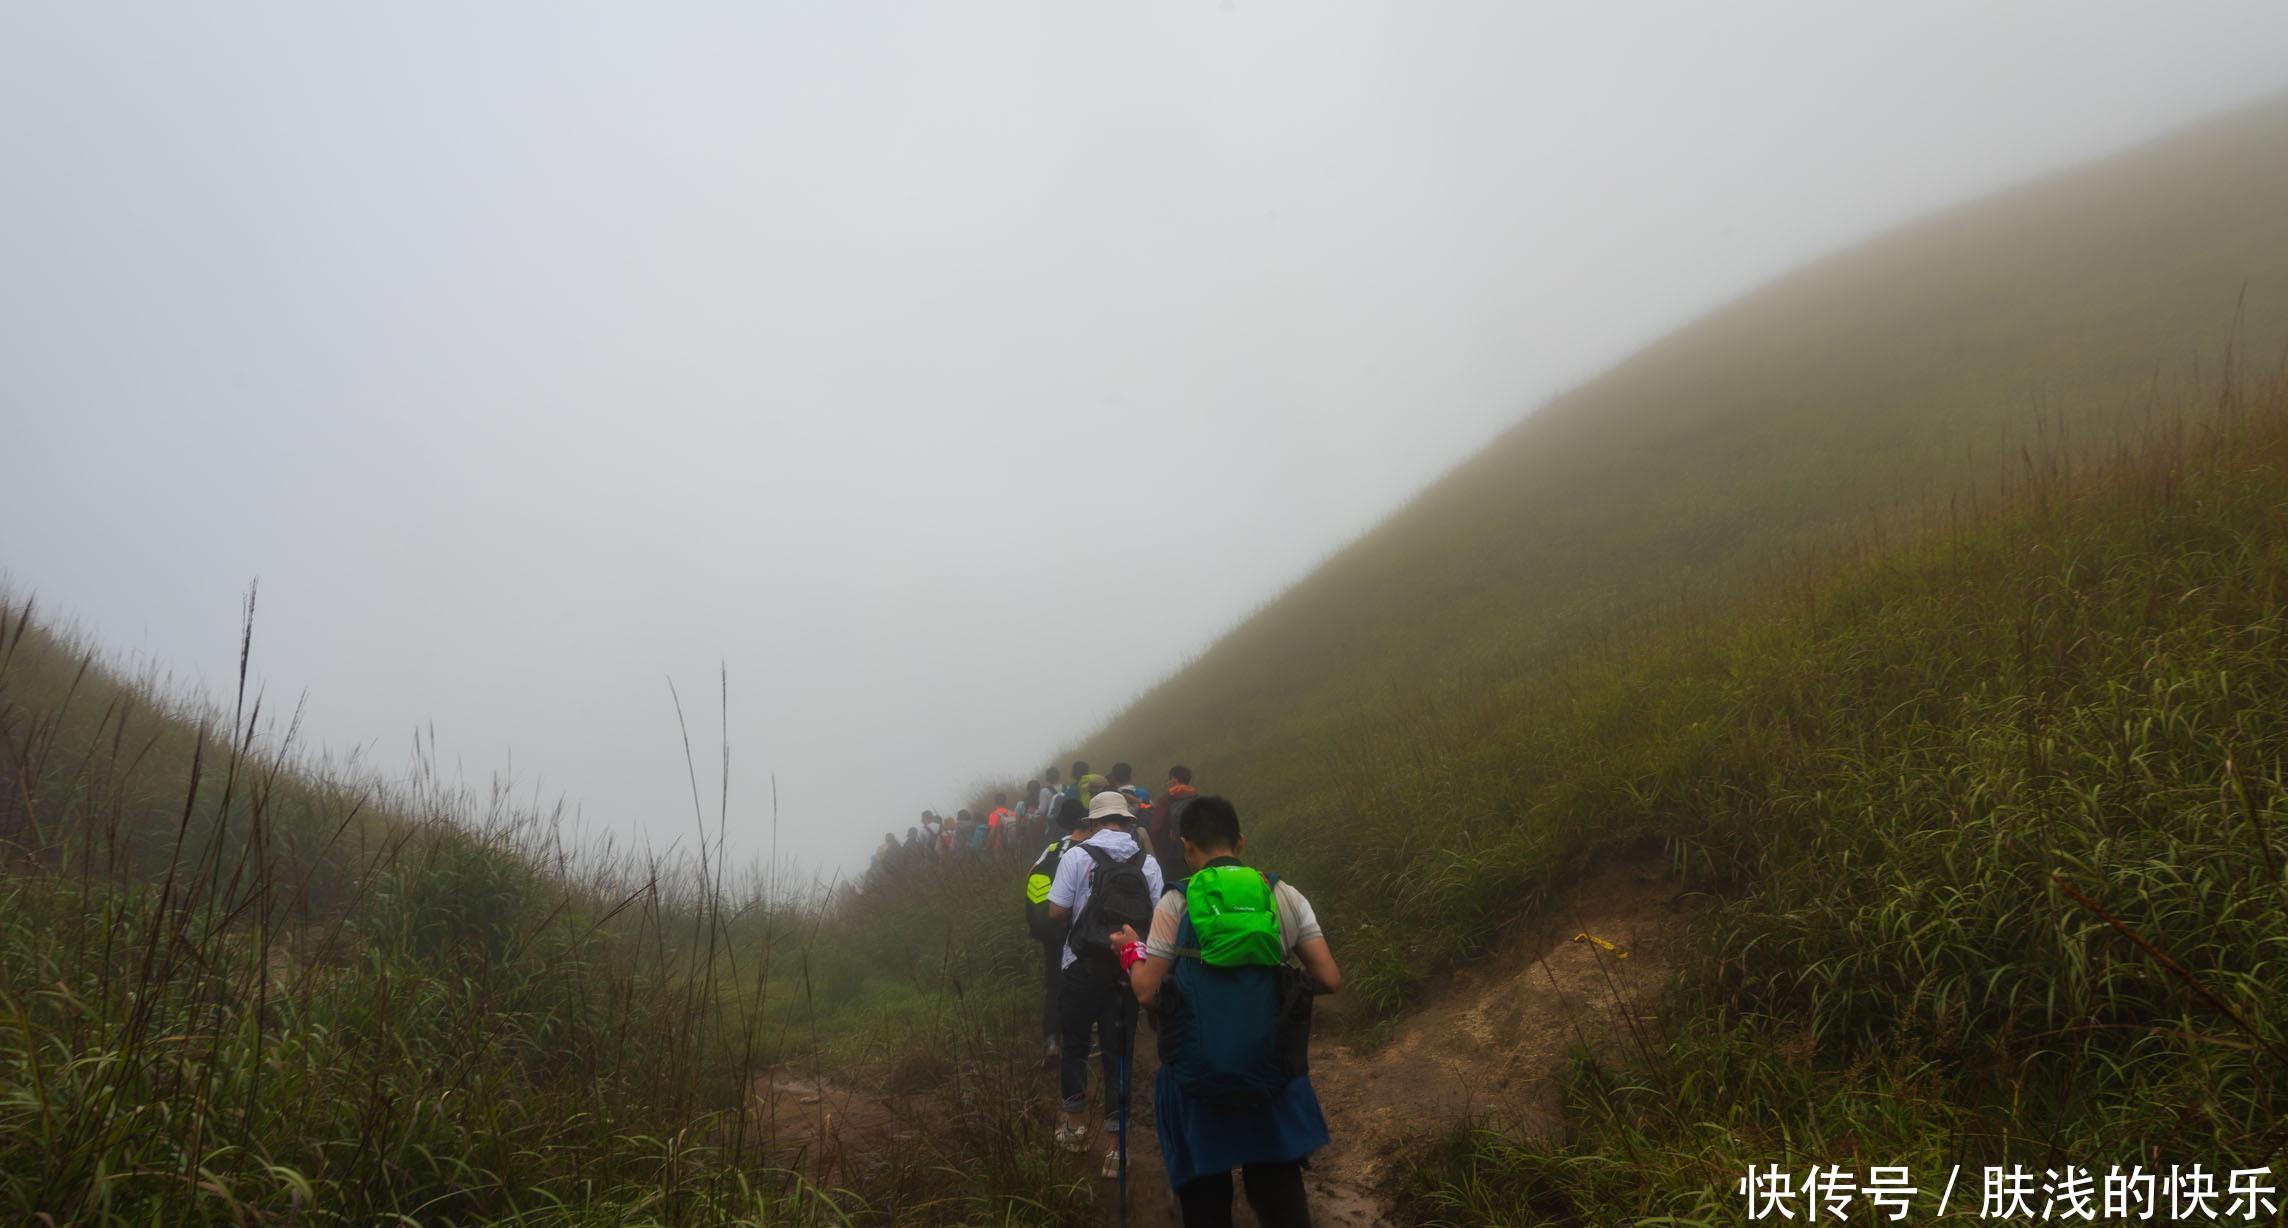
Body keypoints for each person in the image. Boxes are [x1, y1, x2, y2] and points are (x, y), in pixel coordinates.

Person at [1110, 795, 1341, 1228]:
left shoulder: (1176, 903)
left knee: (1205, 1199)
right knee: (1279, 1191)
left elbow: (1146, 991)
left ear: (1186, 846)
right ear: (1240, 842)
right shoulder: (1283, 895)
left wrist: (1130, 951)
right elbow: (1328, 977)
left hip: (1197, 1080)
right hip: (1271, 1070)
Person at [1046, 789, 1166, 1177]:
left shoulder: (1076, 855)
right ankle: (1116, 1151)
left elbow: (1057, 910)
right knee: (1119, 1053)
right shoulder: (1147, 862)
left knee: (1076, 1045)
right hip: (1128, 966)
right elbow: (1156, 914)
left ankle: (1076, 1128)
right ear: (1129, 821)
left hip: (1079, 964)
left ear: (1093, 822)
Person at [1024, 794, 1084, 1063]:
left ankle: (1051, 1040)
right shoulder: (1091, 849)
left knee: (1054, 982)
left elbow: (1031, 875)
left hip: (1052, 927)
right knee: (1083, 982)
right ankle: (1077, 1041)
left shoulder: (1052, 849)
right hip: (1081, 927)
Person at [1149, 766, 1199, 885]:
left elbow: (1156, 828)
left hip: (1171, 855)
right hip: (1196, 854)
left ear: (1174, 780)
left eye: (1169, 779)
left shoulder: (1165, 799)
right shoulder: (1197, 798)